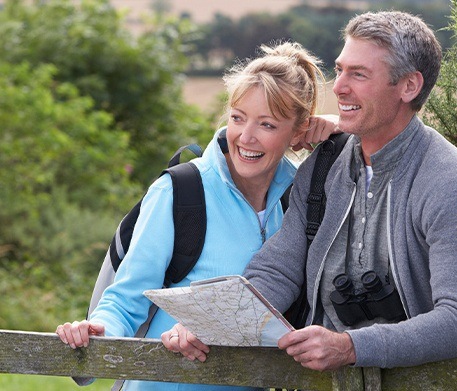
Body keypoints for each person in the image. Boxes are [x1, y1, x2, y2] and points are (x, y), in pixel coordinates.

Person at [166, 11, 457, 371]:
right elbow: (278, 272)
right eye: (340, 69)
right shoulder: (324, 163)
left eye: (359, 74)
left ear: (409, 86)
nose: (338, 87)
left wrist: (350, 347)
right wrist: (212, 322)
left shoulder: (448, 178)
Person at [56, 41, 340, 391]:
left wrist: (341, 130)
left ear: (299, 132)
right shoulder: (179, 192)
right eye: (238, 118)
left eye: (266, 125)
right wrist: (101, 329)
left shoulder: (303, 200)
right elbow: (125, 299)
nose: (245, 137)